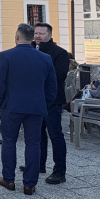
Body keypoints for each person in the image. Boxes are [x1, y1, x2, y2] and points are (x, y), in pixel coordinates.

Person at [0, 24, 55, 195]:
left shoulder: (6, 56)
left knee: (9, 142)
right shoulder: (45, 58)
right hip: (35, 107)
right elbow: (51, 86)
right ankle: (29, 184)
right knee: (33, 144)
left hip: (11, 106)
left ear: (18, 36)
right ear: (31, 38)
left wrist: (0, 102)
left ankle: (9, 179)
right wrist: (45, 103)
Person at [34, 22, 70, 184]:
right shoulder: (31, 49)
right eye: (36, 33)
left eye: (41, 33)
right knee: (37, 133)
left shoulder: (60, 53)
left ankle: (59, 171)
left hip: (52, 100)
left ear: (49, 35)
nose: (38, 36)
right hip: (35, 99)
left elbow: (59, 75)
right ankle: (39, 164)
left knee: (55, 134)